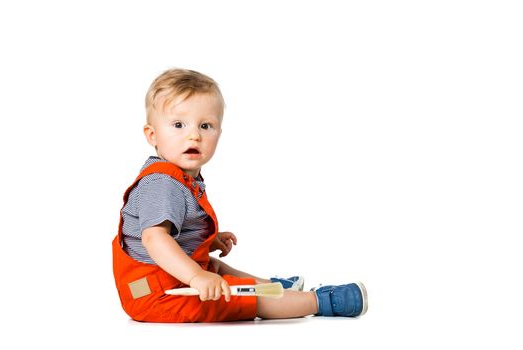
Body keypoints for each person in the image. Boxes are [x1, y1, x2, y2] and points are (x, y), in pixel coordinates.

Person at [112, 68, 368, 322]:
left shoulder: (183, 178)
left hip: (167, 277)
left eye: (205, 125)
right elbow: (154, 239)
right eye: (178, 124)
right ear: (152, 135)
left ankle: (272, 287)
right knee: (234, 295)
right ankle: (319, 301)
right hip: (154, 292)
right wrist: (195, 277)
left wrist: (205, 239)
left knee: (217, 269)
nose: (194, 135)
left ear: (219, 133)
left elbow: (173, 232)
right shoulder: (161, 183)